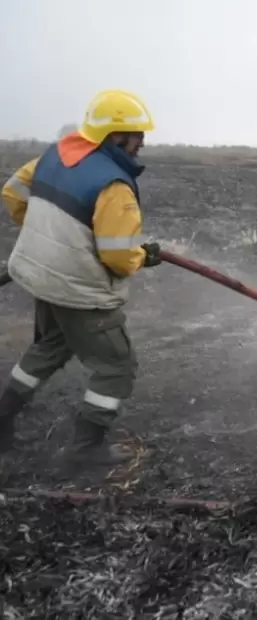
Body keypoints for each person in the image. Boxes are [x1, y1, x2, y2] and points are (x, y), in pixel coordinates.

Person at [0, 89, 163, 465]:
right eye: (138, 134)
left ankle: (2, 419)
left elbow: (12, 194)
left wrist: (49, 238)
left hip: (39, 276)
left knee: (49, 347)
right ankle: (85, 450)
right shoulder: (114, 186)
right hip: (78, 291)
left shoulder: (53, 155)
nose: (142, 143)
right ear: (117, 136)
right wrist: (143, 256)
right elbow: (119, 258)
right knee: (116, 367)